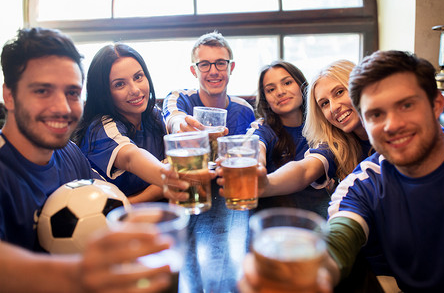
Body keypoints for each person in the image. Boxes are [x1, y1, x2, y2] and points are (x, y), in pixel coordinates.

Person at [240, 50, 444, 292]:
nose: (392, 125)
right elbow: (337, 229)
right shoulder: (359, 178)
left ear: (436, 105)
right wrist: (312, 272)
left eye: (406, 106)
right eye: (376, 114)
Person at [0, 27, 176, 292]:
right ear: (9, 96)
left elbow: (108, 203)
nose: (62, 107)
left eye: (72, 93)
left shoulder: (70, 154)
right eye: (42, 91)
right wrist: (78, 275)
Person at [251, 60, 372, 197]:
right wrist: (261, 179)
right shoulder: (336, 143)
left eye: (339, 92)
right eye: (325, 103)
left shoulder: (390, 129)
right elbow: (305, 170)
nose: (333, 107)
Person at [73, 43, 167, 203]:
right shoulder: (101, 128)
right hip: (108, 223)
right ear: (104, 93)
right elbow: (131, 157)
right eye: (119, 84)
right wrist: (163, 186)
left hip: (151, 215)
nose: (135, 89)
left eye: (138, 77)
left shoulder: (153, 115)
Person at [162, 31, 255, 135]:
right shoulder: (179, 97)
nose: (213, 72)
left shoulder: (244, 109)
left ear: (231, 68)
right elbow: (174, 119)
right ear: (194, 71)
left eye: (220, 63)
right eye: (204, 64)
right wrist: (180, 125)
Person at [250, 60, 310, 174]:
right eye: (271, 89)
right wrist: (256, 165)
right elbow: (254, 147)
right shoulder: (263, 129)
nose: (280, 92)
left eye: (287, 83)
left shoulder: (322, 123)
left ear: (302, 86)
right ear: (266, 101)